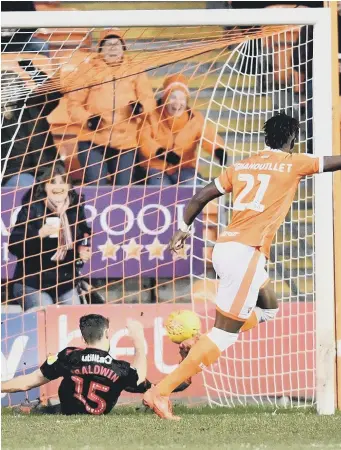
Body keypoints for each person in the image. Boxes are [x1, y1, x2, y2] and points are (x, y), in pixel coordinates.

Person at [143, 112, 341, 420]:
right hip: (247, 253)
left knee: (269, 308)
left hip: (227, 248)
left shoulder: (242, 165)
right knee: (224, 337)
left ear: (265, 138)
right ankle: (161, 392)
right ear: (293, 140)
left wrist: (182, 229)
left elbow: (200, 196)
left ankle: (201, 343)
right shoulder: (294, 162)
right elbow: (333, 162)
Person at [1, 314, 192, 415]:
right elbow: (148, 382)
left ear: (83, 336)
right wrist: (139, 341)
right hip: (97, 412)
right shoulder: (119, 369)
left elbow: (28, 382)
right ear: (107, 333)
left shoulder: (68, 356)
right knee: (152, 390)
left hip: (63, 411)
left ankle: (33, 409)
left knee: (42, 408)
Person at [63, 30, 156, 186]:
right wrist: (88, 119)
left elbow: (150, 101)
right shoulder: (87, 70)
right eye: (108, 45)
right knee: (98, 189)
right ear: (100, 49)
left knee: (123, 190)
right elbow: (73, 104)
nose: (113, 49)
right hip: (93, 140)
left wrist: (140, 109)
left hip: (126, 142)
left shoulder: (136, 70)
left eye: (117, 45)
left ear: (123, 48)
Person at [9, 162, 91, 311]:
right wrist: (38, 234)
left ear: (69, 187)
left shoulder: (75, 209)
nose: (58, 187)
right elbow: (13, 245)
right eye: (52, 182)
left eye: (62, 182)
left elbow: (84, 236)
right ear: (45, 187)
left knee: (77, 316)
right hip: (32, 282)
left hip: (64, 283)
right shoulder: (32, 209)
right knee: (45, 311)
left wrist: (82, 250)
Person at [138, 74, 226, 186]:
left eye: (182, 98)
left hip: (184, 167)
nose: (177, 102)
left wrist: (218, 150)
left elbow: (207, 135)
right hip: (156, 167)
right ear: (165, 99)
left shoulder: (194, 118)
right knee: (160, 185)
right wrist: (161, 153)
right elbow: (144, 140)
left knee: (191, 182)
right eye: (173, 97)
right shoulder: (152, 116)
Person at [1, 60, 62, 187]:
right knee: (28, 185)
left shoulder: (34, 105)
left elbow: (54, 94)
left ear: (22, 87)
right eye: (5, 86)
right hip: (14, 172)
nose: (10, 90)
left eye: (14, 85)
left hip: (47, 167)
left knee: (60, 187)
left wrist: (32, 70)